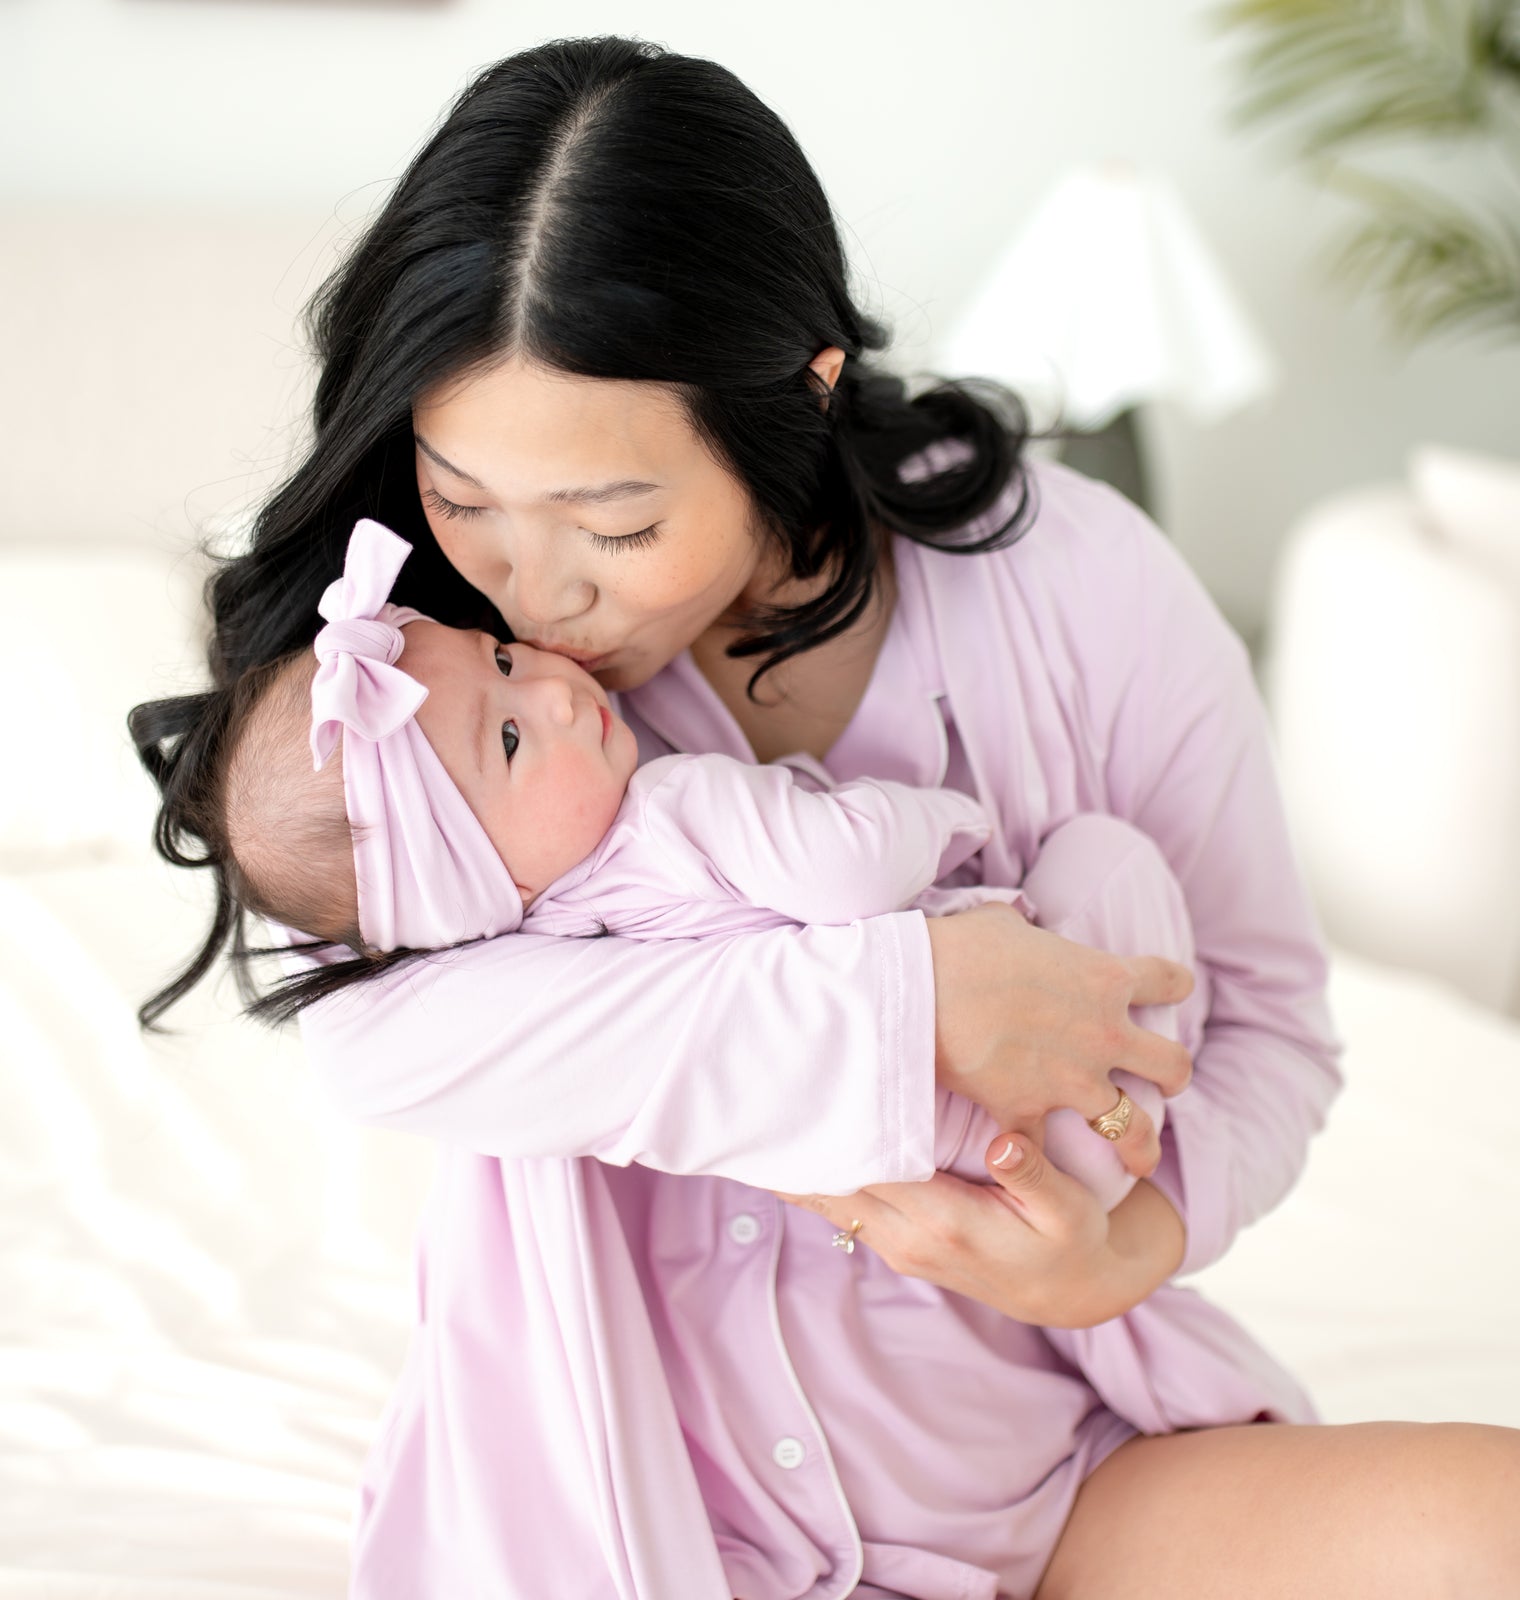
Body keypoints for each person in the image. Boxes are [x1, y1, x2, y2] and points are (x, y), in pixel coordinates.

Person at [129, 35, 1520, 1600]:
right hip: (652, 1529)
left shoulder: (1080, 582)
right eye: (464, 500)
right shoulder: (426, 695)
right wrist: (915, 1003)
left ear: (798, 394)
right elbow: (386, 1039)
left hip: (1051, 1478)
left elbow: (1269, 1025)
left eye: (619, 521)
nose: (536, 591)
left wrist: (1132, 1246)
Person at [208, 512, 1185, 1214]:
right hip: (1055, 1108)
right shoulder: (671, 807)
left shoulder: (560, 942)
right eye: (507, 741)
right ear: (479, 884)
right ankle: (1158, 1065)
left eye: (501, 660)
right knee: (1107, 859)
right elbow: (848, 867)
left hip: (960, 1172)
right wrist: (942, 817)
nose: (550, 691)